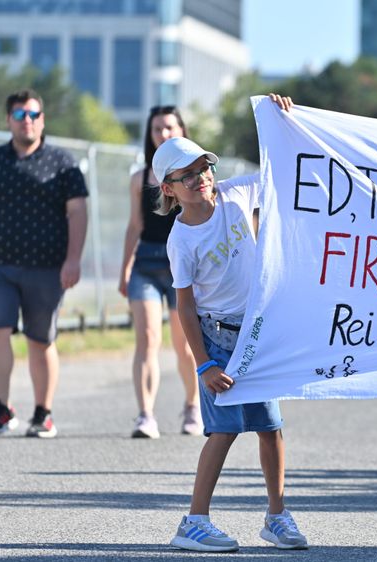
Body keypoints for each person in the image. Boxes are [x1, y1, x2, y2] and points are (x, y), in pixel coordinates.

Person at [159, 96, 306, 553]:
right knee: (223, 431)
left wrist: (285, 122)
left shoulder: (237, 194)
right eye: (187, 176)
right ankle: (194, 521)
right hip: (217, 340)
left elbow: (283, 173)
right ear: (169, 189)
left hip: (256, 334)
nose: (200, 178)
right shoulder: (181, 239)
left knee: (271, 427)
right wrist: (203, 365)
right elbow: (185, 307)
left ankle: (277, 516)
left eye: (203, 168)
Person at [0, 89, 88, 438]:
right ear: (8, 121)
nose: (26, 121)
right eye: (19, 115)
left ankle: (43, 412)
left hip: (47, 267)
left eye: (32, 115)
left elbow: (77, 212)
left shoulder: (63, 163)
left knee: (40, 339)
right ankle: (1, 408)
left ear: (42, 120)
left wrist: (74, 259)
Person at [118, 106, 200, 438]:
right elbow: (135, 224)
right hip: (147, 265)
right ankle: (145, 415)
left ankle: (193, 407)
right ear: (149, 135)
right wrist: (124, 268)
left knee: (184, 345)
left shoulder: (196, 175)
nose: (163, 134)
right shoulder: (140, 178)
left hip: (183, 266)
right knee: (148, 339)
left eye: (169, 127)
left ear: (181, 130)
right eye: (156, 129)